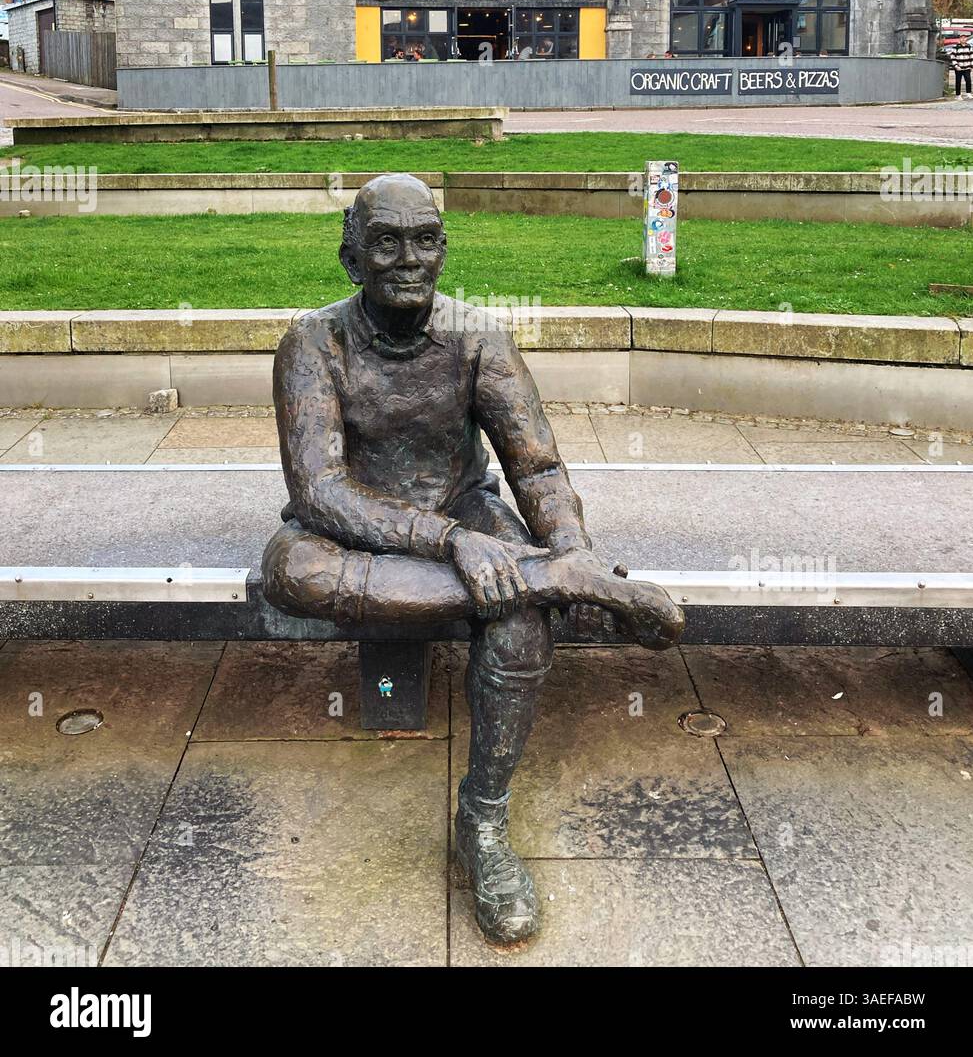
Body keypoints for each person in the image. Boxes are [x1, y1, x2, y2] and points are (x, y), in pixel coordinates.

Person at [261, 174, 683, 946]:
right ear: (351, 259)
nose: (407, 260)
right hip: (372, 533)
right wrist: (459, 547)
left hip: (465, 512)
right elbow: (320, 491)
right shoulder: (311, 342)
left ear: (444, 250)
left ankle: (483, 823)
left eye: (425, 240)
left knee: (520, 628)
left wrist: (569, 544)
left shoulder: (479, 338)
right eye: (385, 242)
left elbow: (537, 470)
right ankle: (544, 583)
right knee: (291, 572)